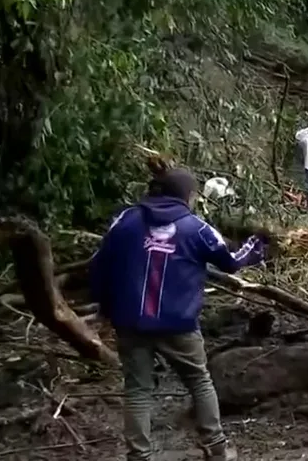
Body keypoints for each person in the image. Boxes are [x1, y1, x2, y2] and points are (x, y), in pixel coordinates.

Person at [89, 163, 267, 461]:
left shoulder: (125, 220)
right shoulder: (197, 228)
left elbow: (99, 265)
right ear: (188, 196)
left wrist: (105, 308)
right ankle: (217, 448)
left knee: (137, 389)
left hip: (130, 322)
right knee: (199, 380)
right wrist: (256, 245)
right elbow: (231, 262)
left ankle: (139, 456)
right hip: (179, 324)